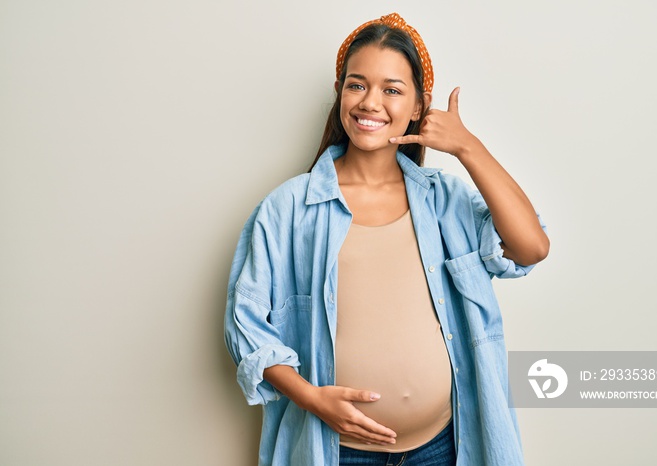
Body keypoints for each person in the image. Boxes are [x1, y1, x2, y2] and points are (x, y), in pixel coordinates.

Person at [224, 12, 549, 466]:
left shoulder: (444, 201)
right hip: (338, 450)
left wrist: (467, 147)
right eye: (357, 85)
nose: (370, 102)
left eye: (392, 89)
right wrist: (312, 399)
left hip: (445, 446)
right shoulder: (287, 209)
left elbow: (530, 247)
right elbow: (245, 323)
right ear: (340, 94)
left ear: (419, 105)